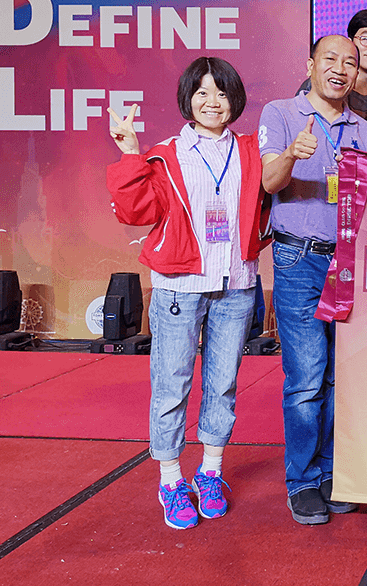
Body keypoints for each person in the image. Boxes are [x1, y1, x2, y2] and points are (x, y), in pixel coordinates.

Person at [106, 57, 270, 530]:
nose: (212, 102)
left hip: (236, 283)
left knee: (222, 385)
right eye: (202, 93)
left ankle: (211, 472)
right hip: (179, 285)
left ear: (234, 98)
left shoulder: (252, 149)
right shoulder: (167, 154)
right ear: (187, 100)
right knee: (172, 385)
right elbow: (136, 212)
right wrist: (131, 153)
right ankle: (172, 479)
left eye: (221, 92)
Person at [258, 35, 367, 525]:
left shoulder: (363, 129)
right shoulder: (280, 112)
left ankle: (333, 471)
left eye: (350, 63)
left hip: (347, 262)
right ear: (310, 64)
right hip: (297, 260)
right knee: (306, 377)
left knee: (340, 375)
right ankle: (303, 480)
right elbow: (270, 183)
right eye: (330, 59)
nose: (340, 69)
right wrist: (291, 153)